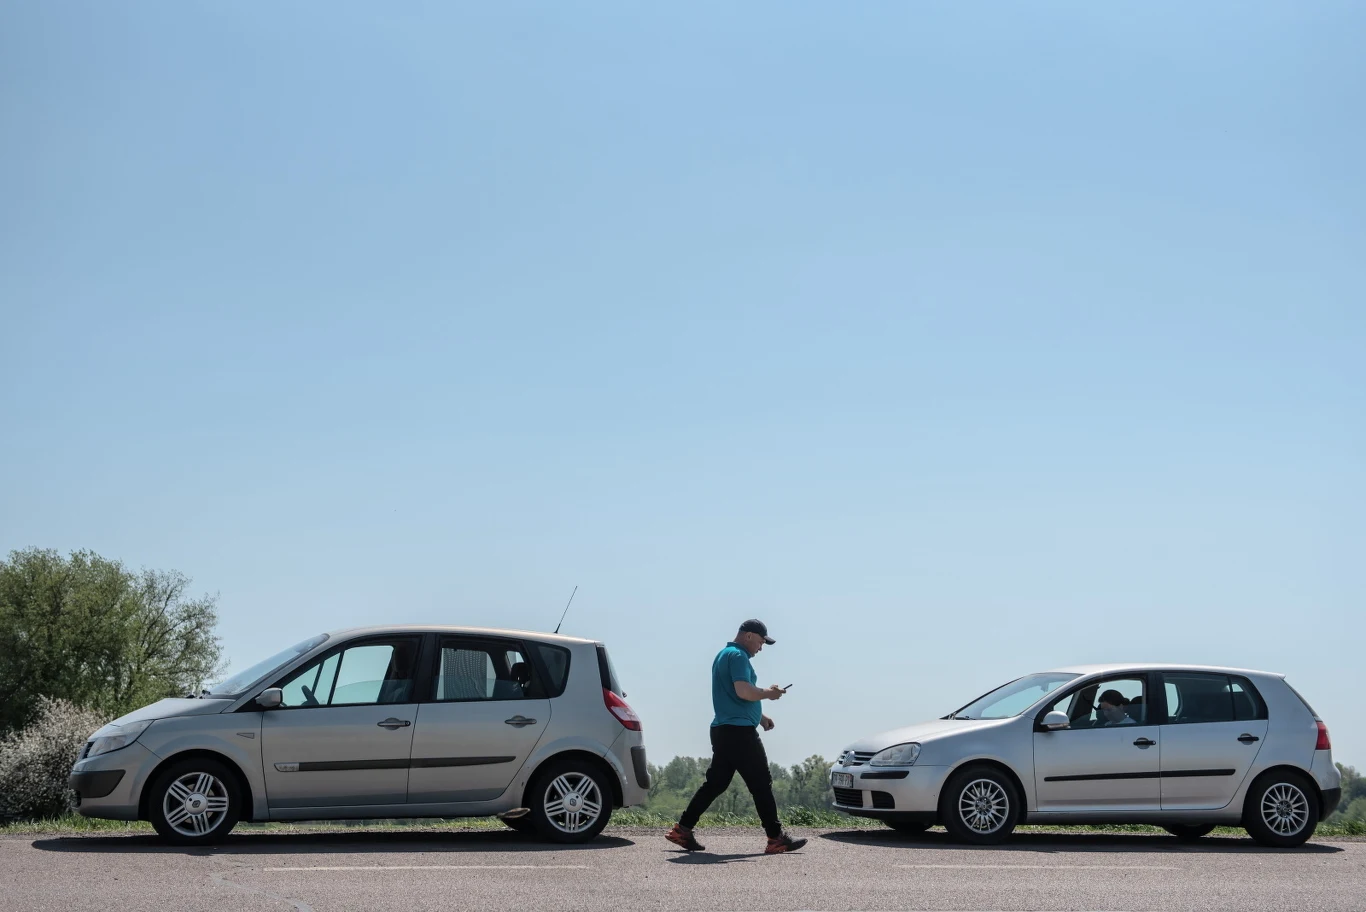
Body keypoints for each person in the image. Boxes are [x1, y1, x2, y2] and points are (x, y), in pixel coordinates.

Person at [665, 620, 808, 855]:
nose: (761, 648)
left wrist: (760, 716)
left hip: (724, 729)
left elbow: (734, 696)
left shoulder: (724, 654)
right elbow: (743, 691)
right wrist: (770, 694)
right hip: (739, 733)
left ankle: (682, 830)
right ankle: (776, 838)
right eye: (761, 642)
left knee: (716, 784)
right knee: (761, 783)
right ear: (749, 636)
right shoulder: (739, 656)